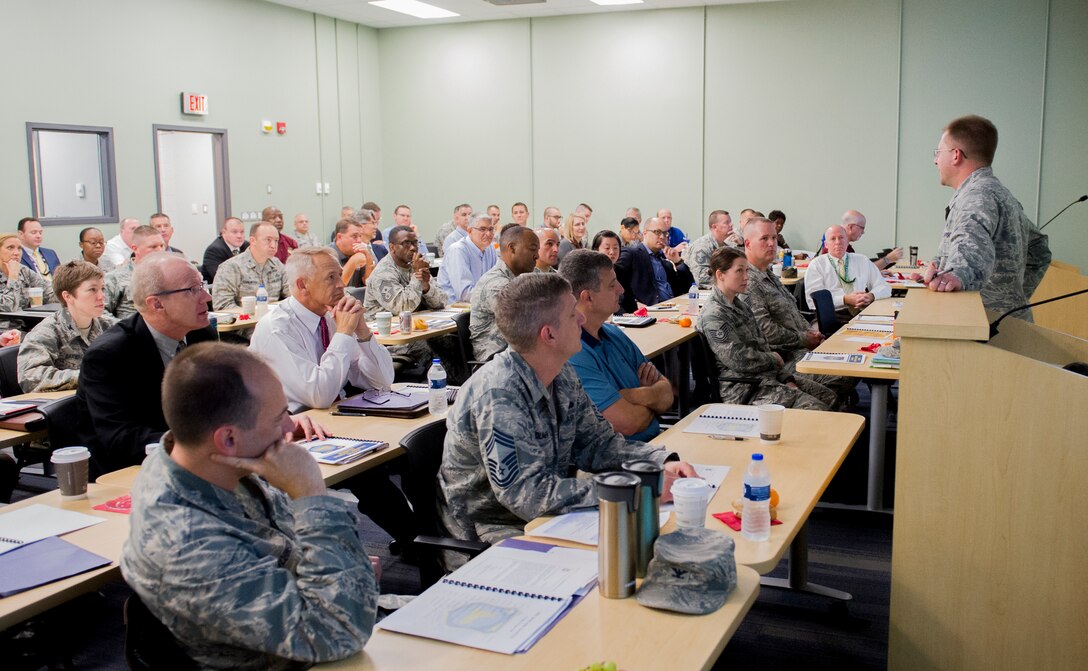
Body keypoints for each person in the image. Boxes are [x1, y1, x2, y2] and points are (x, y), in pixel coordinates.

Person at [121, 343, 377, 671]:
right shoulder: (187, 544)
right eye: (279, 417)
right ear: (228, 439)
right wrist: (312, 494)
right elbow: (338, 632)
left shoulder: (201, 457)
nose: (290, 429)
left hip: (339, 621)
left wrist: (336, 559)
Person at [437, 272, 695, 557]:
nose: (582, 319)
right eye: (573, 315)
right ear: (549, 335)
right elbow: (527, 495)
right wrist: (631, 490)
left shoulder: (560, 373)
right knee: (622, 560)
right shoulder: (499, 394)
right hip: (490, 531)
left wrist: (657, 463)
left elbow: (598, 444)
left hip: (546, 517)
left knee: (650, 541)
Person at [76, 252, 220, 473]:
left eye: (202, 286)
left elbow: (221, 399)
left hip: (195, 460)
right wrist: (200, 444)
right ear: (157, 304)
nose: (206, 297)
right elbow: (120, 438)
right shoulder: (110, 355)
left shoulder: (201, 333)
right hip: (131, 471)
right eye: (193, 290)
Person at [925, 114, 1051, 319]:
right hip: (1007, 322)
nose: (935, 160)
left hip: (985, 327)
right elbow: (1040, 250)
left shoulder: (977, 195)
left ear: (956, 155)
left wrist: (956, 274)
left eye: (938, 152)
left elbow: (970, 243)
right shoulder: (998, 192)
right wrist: (1013, 298)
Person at [249, 247, 393, 413]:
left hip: (335, 415)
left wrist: (362, 331)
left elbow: (381, 382)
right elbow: (319, 397)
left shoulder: (331, 316)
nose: (341, 284)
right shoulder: (277, 328)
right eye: (331, 278)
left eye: (339, 275)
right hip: (295, 424)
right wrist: (344, 333)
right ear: (302, 285)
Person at [699, 247, 832, 410]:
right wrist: (773, 359)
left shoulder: (740, 305)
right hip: (744, 388)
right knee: (817, 409)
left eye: (747, 270)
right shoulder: (715, 314)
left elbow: (762, 346)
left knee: (829, 397)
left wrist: (785, 377)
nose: (746, 277)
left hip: (766, 377)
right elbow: (739, 360)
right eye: (739, 271)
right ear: (720, 275)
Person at [560, 250, 672, 441]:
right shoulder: (573, 352)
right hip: (622, 459)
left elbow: (667, 395)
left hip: (657, 442)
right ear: (588, 298)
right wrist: (652, 402)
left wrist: (630, 396)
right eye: (612, 285)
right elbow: (627, 424)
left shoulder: (614, 334)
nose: (621, 290)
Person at [742, 219, 852, 398]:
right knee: (842, 375)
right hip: (783, 358)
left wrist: (814, 336)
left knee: (849, 367)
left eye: (774, 238)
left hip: (800, 348)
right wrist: (804, 339)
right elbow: (765, 330)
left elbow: (794, 313)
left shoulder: (768, 274)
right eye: (764, 238)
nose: (772, 244)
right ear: (748, 243)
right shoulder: (747, 281)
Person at [17, 261, 116, 392]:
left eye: (102, 289)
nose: (101, 296)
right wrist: (89, 376)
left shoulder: (110, 327)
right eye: (92, 289)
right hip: (68, 406)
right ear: (68, 296)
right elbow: (30, 377)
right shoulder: (47, 331)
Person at [469, 225, 539, 362]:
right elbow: (528, 320)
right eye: (532, 249)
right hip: (497, 359)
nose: (537, 255)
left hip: (521, 352)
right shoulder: (495, 284)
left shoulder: (528, 274)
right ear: (512, 248)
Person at [805, 225, 891, 319]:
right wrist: (845, 300)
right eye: (833, 239)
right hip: (833, 316)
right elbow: (812, 302)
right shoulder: (817, 265)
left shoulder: (862, 260)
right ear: (826, 244)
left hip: (862, 312)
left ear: (847, 241)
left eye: (841, 238)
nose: (838, 242)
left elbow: (884, 287)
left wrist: (871, 296)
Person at [615, 216, 695, 312]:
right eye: (657, 232)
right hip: (649, 311)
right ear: (644, 233)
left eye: (665, 233)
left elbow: (690, 288)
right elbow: (615, 280)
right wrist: (633, 302)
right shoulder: (632, 254)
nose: (662, 237)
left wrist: (678, 261)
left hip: (674, 308)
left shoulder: (666, 263)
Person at [212, 221, 290, 311]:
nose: (273, 245)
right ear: (253, 241)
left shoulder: (277, 265)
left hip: (275, 319)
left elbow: (292, 296)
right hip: (245, 322)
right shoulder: (231, 267)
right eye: (268, 240)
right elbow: (222, 306)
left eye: (276, 241)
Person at [104, 225, 166, 319]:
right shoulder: (115, 278)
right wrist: (126, 329)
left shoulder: (170, 275)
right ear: (135, 248)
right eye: (153, 247)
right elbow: (101, 313)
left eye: (162, 246)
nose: (159, 250)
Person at [0, 232, 57, 334]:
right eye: (10, 248)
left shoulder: (23, 270)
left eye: (19, 248)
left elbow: (49, 292)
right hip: (4, 331)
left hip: (25, 327)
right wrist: (13, 277)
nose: (16, 253)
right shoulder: (16, 272)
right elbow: (8, 306)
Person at [437, 213, 497, 302]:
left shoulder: (490, 248)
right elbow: (464, 294)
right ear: (469, 231)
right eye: (482, 229)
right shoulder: (458, 250)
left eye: (491, 229)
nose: (488, 234)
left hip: (479, 305)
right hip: (454, 308)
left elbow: (497, 280)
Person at [817, 210, 902, 270]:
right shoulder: (840, 247)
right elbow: (861, 271)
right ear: (850, 227)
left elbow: (858, 269)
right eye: (862, 228)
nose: (863, 232)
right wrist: (888, 259)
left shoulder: (847, 247)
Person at [682, 210, 732, 288]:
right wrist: (728, 284)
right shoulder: (702, 247)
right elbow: (701, 279)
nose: (731, 225)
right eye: (726, 223)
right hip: (698, 293)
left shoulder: (726, 245)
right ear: (715, 227)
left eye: (730, 222)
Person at [328, 218, 374, 288]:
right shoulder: (327, 255)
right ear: (339, 237)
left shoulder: (359, 252)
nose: (359, 241)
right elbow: (335, 288)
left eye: (360, 236)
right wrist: (353, 262)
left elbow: (369, 283)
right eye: (354, 236)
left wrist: (369, 260)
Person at [201, 217, 249, 283]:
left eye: (242, 232)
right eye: (234, 232)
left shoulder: (247, 246)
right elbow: (222, 278)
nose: (239, 236)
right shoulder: (214, 250)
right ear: (224, 233)